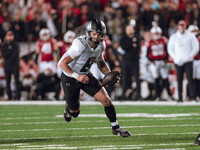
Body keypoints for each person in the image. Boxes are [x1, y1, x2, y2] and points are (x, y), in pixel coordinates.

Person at [58, 19, 131, 137]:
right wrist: (77, 76)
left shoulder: (101, 45)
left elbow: (100, 64)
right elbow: (61, 63)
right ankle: (69, 107)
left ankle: (116, 127)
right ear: (89, 33)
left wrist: (109, 74)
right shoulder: (80, 45)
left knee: (106, 100)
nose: (96, 37)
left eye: (99, 34)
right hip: (70, 77)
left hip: (86, 75)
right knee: (75, 112)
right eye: (94, 33)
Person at [168, 20, 199, 102]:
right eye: (180, 25)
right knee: (179, 80)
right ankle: (180, 97)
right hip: (178, 61)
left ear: (185, 26)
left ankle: (193, 96)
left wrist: (190, 56)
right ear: (178, 26)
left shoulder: (190, 36)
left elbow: (196, 47)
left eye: (183, 25)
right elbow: (170, 48)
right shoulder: (174, 36)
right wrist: (175, 57)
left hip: (188, 60)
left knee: (190, 79)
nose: (182, 27)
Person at [147, 25, 173, 101]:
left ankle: (169, 95)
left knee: (165, 79)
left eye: (157, 33)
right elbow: (147, 54)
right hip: (154, 63)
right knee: (156, 79)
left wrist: (166, 60)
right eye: (155, 33)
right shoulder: (150, 42)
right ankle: (157, 96)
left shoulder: (164, 40)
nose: (156, 35)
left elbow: (167, 51)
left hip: (162, 62)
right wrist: (151, 61)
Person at [120, 24, 142, 100]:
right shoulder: (123, 38)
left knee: (137, 78)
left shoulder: (137, 37)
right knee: (125, 78)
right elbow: (123, 47)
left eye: (131, 29)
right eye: (128, 29)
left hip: (135, 61)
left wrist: (131, 46)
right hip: (126, 61)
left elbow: (138, 48)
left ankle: (139, 96)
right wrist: (132, 44)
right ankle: (123, 96)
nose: (130, 31)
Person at [1, 31, 20, 100]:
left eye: (11, 35)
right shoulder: (4, 45)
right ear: (6, 36)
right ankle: (9, 97)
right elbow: (4, 54)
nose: (10, 37)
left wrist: (9, 53)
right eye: (9, 35)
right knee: (7, 81)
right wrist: (10, 52)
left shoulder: (15, 45)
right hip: (7, 65)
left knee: (17, 81)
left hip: (14, 65)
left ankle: (18, 96)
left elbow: (15, 54)